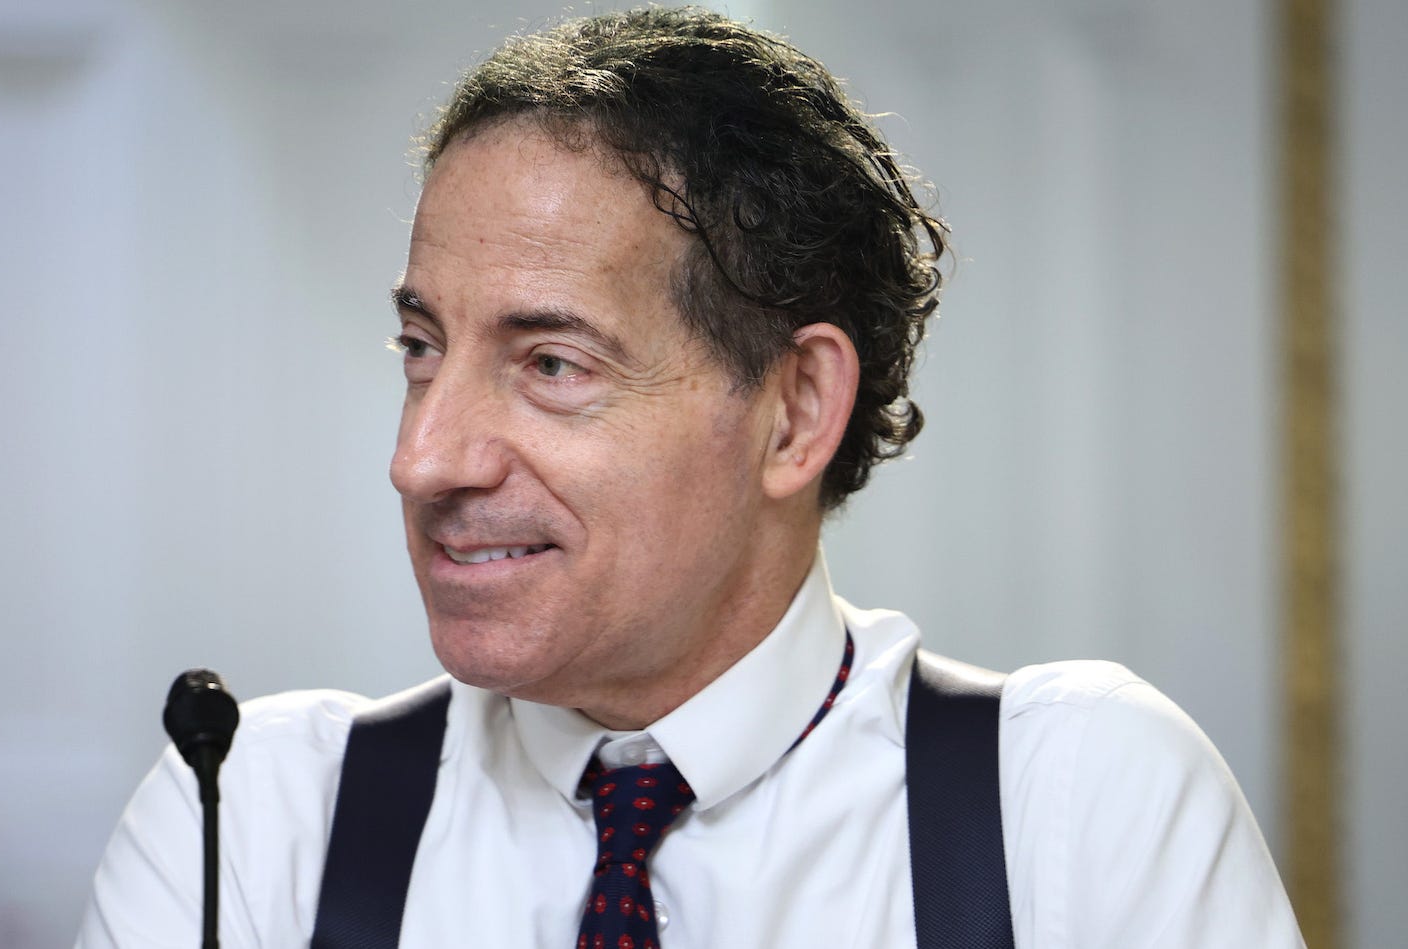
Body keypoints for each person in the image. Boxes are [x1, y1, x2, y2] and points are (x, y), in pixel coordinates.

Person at [76, 7, 1304, 947]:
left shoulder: (1067, 806)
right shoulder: (251, 819)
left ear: (794, 411)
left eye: (551, 362)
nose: (423, 459)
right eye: (420, 348)